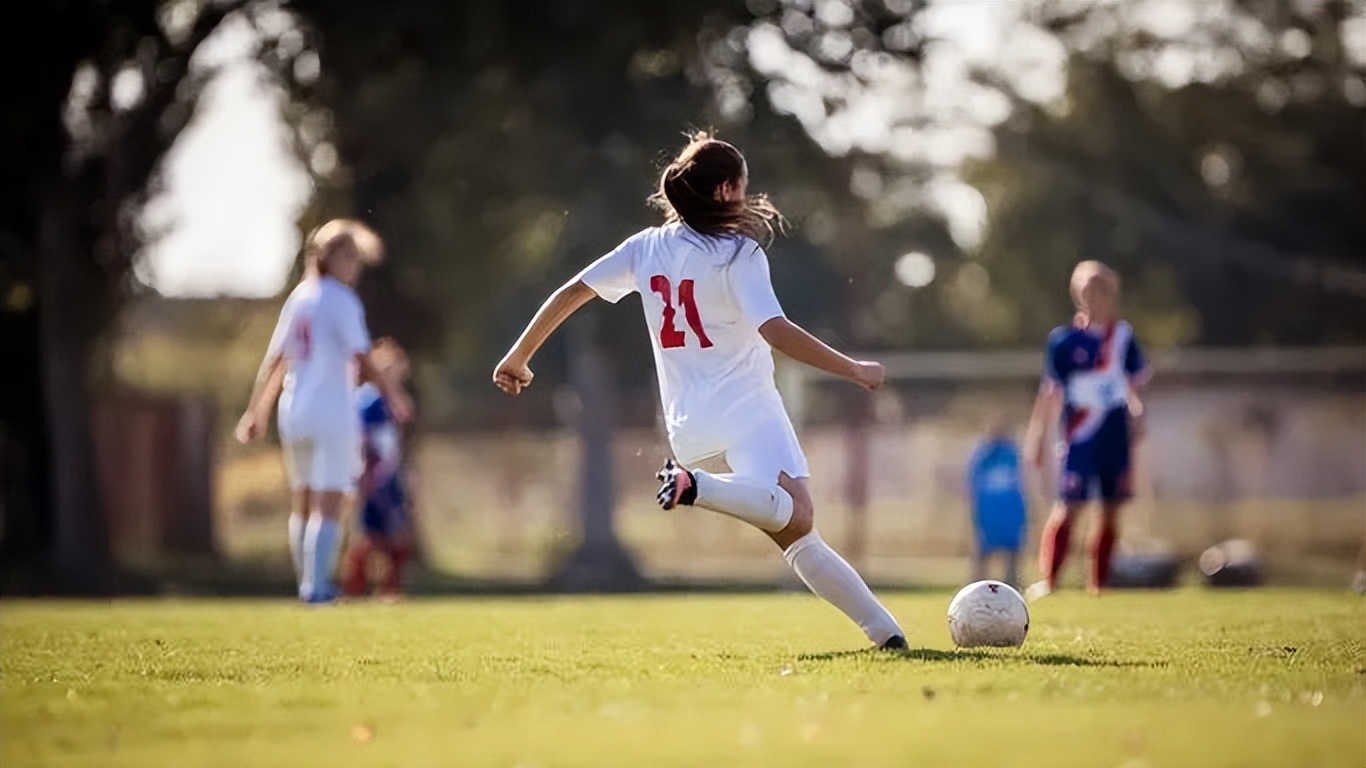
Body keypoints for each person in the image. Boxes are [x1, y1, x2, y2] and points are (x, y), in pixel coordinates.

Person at [492, 131, 907, 651]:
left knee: (797, 531)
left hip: (688, 424)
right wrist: (853, 368)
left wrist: (518, 355)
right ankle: (699, 488)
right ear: (725, 189)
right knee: (798, 515)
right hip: (747, 409)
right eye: (743, 185)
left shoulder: (644, 248)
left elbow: (572, 290)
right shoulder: (739, 254)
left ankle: (886, 634)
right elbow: (774, 330)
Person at [235, 219, 410, 604]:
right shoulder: (341, 299)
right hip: (331, 410)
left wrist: (257, 412)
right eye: (347, 255)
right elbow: (362, 356)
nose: (354, 264)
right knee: (327, 501)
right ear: (324, 256)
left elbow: (276, 360)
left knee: (303, 498)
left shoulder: (300, 297)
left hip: (294, 411)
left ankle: (306, 584)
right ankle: (316, 589)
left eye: (356, 257)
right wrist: (393, 396)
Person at [1023, 260, 1149, 601]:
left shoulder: (1122, 338)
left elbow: (1134, 386)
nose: (1095, 297)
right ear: (1078, 294)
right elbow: (1050, 392)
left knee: (1110, 510)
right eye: (1088, 290)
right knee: (1069, 506)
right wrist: (1037, 435)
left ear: (1112, 293)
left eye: (1102, 290)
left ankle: (1099, 584)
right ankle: (1050, 580)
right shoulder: (1064, 341)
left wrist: (1138, 412)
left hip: (1114, 436)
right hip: (1080, 437)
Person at [342, 338, 416, 601]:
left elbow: (396, 437)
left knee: (395, 534)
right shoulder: (367, 401)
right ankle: (354, 589)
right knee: (369, 536)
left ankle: (389, 589)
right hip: (372, 477)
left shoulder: (392, 402)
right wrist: (366, 472)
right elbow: (363, 438)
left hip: (389, 475)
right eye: (385, 369)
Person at [965, 416, 1027, 587]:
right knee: (983, 548)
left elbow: (1022, 479)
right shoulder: (983, 454)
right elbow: (972, 481)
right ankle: (976, 584)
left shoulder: (1011, 453)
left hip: (1009, 509)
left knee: (1013, 548)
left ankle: (1012, 582)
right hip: (989, 509)